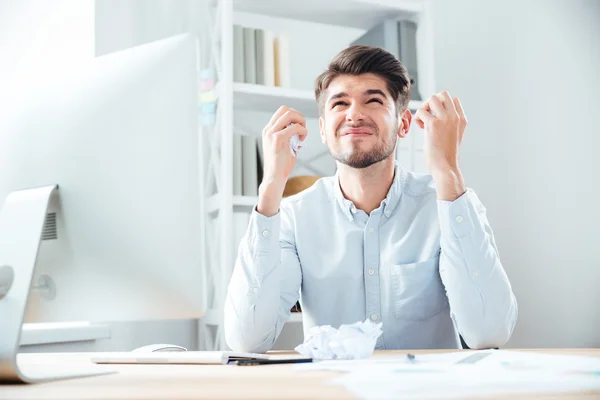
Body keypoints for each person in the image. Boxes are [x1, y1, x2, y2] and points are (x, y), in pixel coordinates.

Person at [224, 45, 517, 353]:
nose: (354, 114)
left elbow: (490, 333)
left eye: (373, 100)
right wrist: (270, 185)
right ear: (323, 130)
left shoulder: (446, 204)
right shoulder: (294, 216)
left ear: (403, 124)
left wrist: (448, 171)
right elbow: (247, 340)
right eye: (340, 103)